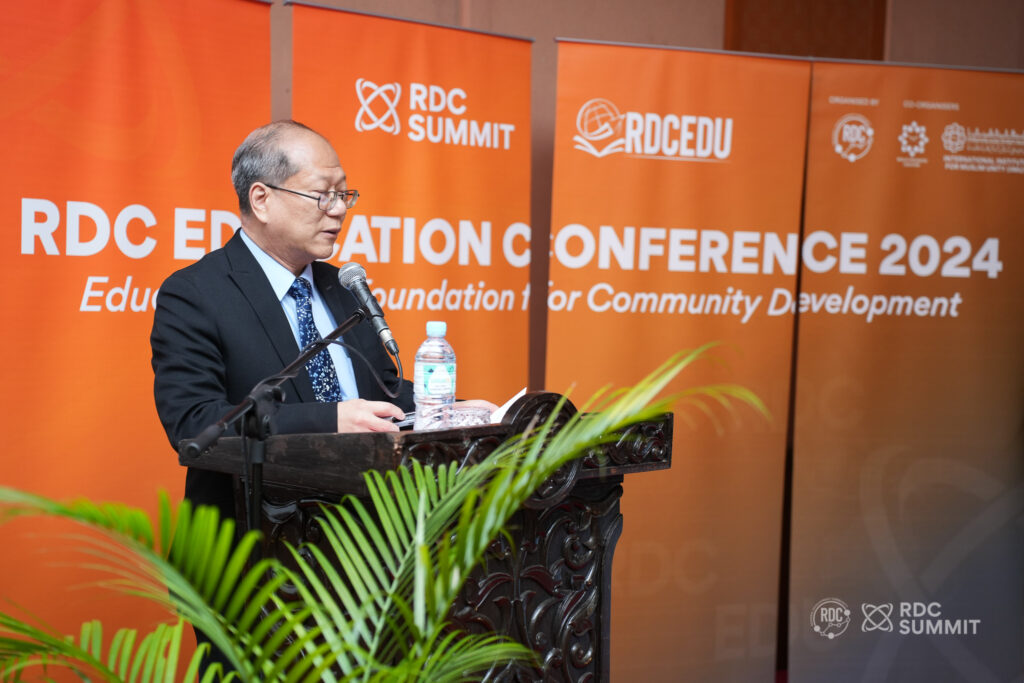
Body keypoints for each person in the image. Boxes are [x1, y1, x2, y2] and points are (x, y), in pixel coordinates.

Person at [151, 120, 417, 525]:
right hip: (252, 540)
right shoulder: (195, 293)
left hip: (365, 538)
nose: (339, 209)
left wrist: (454, 411)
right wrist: (331, 420)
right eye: (322, 194)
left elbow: (384, 393)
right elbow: (195, 424)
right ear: (262, 199)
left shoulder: (343, 287)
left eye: (343, 194)